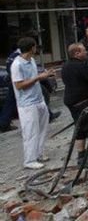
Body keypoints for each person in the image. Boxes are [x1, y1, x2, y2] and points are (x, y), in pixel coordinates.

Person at [11, 37, 55, 169]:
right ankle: (29, 160)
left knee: (42, 129)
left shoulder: (31, 60)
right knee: (30, 132)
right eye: (35, 47)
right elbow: (19, 85)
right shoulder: (17, 65)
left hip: (39, 99)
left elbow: (36, 77)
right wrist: (38, 78)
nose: (36, 49)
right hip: (27, 104)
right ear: (32, 48)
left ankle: (39, 154)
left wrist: (45, 75)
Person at [1, 44, 60, 133]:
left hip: (18, 82)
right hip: (22, 83)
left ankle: (4, 123)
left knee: (10, 103)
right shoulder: (18, 59)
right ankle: (4, 123)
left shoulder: (13, 56)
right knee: (36, 97)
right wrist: (36, 78)